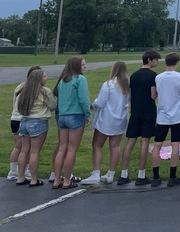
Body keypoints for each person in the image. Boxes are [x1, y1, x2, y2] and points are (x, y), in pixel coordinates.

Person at [81, 61, 130, 185]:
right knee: (115, 146)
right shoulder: (127, 86)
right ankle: (111, 173)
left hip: (106, 119)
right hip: (121, 119)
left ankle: (96, 173)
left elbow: (100, 102)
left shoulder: (108, 84)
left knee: (97, 145)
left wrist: (92, 105)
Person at [119, 49, 161, 185]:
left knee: (130, 141)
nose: (157, 62)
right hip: (148, 110)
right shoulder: (153, 76)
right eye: (156, 60)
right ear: (149, 60)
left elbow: (130, 95)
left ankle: (123, 173)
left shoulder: (134, 75)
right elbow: (153, 95)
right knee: (145, 142)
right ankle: (141, 174)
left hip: (135, 110)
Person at [52, 56, 90, 190]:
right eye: (83, 64)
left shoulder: (63, 81)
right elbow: (84, 99)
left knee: (62, 148)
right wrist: (87, 114)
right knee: (72, 149)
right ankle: (67, 180)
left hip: (62, 116)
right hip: (75, 115)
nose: (85, 67)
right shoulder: (80, 79)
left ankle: (57, 179)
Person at [150, 52, 180, 187]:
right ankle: (172, 176)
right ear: (176, 63)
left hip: (162, 115)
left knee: (157, 144)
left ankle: (155, 176)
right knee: (175, 144)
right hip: (177, 115)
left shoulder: (158, 77)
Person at [15, 67, 56, 187]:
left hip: (25, 120)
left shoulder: (24, 90)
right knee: (35, 152)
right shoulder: (45, 91)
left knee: (24, 150)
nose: (46, 78)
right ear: (39, 79)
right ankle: (33, 179)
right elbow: (53, 106)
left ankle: (20, 177)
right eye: (44, 76)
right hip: (38, 121)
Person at [8, 66, 41, 181]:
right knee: (26, 148)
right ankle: (25, 171)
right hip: (22, 118)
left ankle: (13, 171)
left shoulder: (20, 86)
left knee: (17, 147)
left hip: (14, 118)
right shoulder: (30, 89)